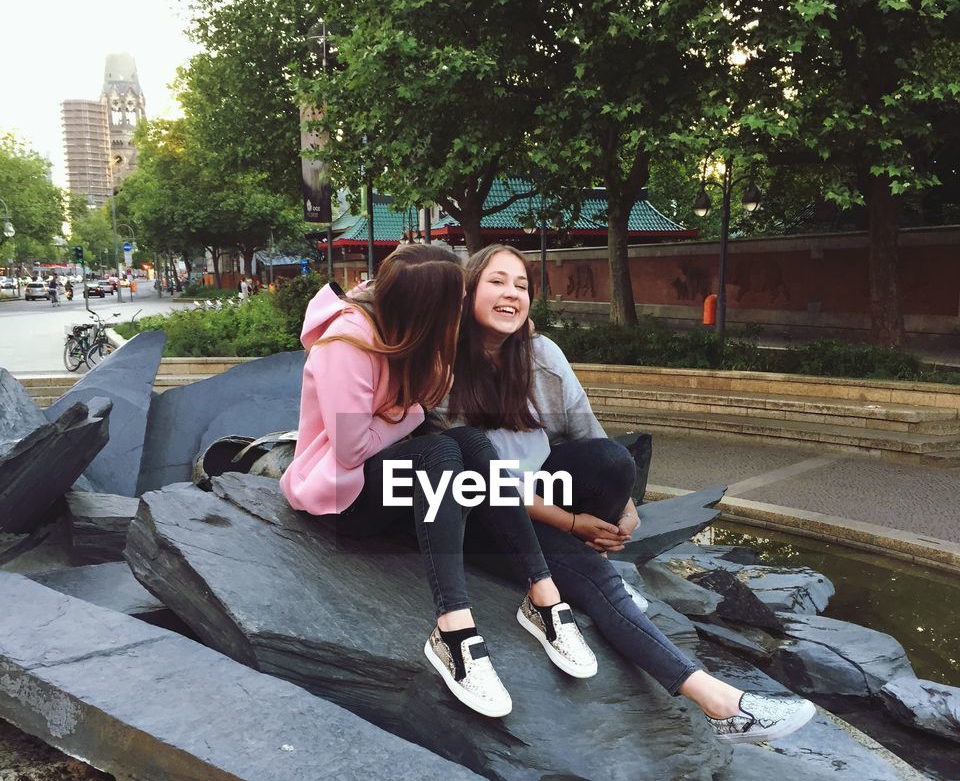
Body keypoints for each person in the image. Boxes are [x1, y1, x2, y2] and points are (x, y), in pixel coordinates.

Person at [435, 244, 816, 744]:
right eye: (496, 282)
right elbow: (475, 481)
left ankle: (587, 565)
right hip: (489, 514)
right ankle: (722, 705)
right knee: (598, 581)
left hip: (545, 491)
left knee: (614, 461)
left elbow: (590, 439)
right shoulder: (442, 367)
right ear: (466, 291)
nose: (511, 294)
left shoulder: (542, 356)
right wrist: (570, 525)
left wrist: (625, 510)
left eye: (522, 286)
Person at [280, 243, 596, 720]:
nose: (463, 311)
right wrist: (413, 410)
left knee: (467, 441)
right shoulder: (347, 343)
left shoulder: (411, 324)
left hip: (391, 473)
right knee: (440, 449)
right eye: (458, 301)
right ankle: (453, 630)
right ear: (429, 307)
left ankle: (543, 595)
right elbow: (350, 450)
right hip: (341, 494)